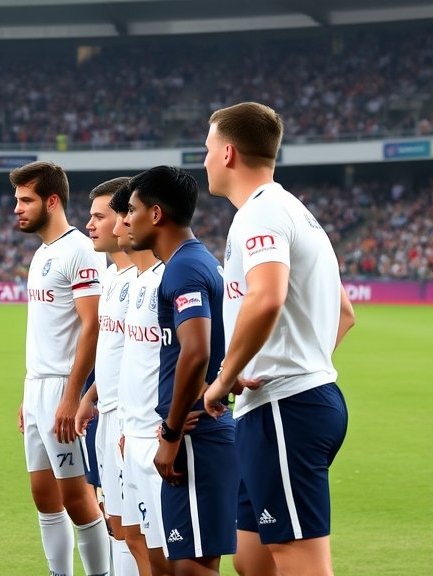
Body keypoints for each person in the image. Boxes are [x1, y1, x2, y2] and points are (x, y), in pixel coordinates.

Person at [201, 102, 355, 576]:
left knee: (299, 563)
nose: (204, 159)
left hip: (285, 409)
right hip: (284, 405)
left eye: (207, 148)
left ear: (227, 153)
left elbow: (266, 298)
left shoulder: (260, 214)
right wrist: (300, 358)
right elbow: (345, 314)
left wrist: (225, 376)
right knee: (252, 559)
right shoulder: (291, 210)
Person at [125, 165, 236, 576]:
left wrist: (171, 433)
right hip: (200, 431)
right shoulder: (196, 261)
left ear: (156, 214)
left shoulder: (185, 268)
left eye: (132, 209)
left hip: (194, 435)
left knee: (192, 568)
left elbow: (196, 351)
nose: (127, 219)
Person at [12, 161, 110, 576]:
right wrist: (26, 393)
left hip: (63, 391)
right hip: (38, 389)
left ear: (52, 201)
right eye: (17, 200)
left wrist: (72, 396)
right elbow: (43, 330)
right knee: (43, 495)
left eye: (26, 200)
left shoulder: (79, 250)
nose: (17, 208)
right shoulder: (42, 253)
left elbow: (94, 325)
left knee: (76, 497)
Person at [76, 177, 139, 575]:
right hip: (108, 413)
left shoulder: (148, 280)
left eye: (100, 216)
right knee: (115, 523)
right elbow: (119, 355)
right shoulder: (113, 279)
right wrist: (91, 395)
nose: (91, 225)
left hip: (135, 422)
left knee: (137, 530)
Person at [110, 181, 171, 576]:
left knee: (165, 552)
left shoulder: (173, 276)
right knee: (134, 537)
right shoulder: (135, 281)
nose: (121, 225)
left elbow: (197, 354)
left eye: (125, 214)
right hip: (131, 429)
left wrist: (171, 430)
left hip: (157, 436)